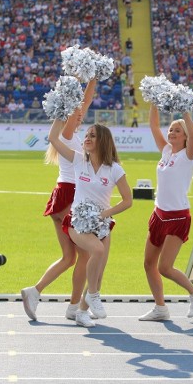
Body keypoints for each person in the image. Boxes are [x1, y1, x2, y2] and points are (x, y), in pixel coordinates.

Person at [21, 81, 96, 323]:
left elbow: (86, 101)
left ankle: (35, 292)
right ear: (67, 115)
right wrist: (73, 89)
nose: (82, 114)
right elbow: (81, 103)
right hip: (69, 195)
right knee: (84, 255)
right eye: (77, 113)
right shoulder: (66, 134)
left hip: (65, 194)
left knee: (70, 257)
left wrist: (92, 78)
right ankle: (74, 307)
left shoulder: (72, 136)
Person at [48, 120, 132, 328]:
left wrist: (107, 213)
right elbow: (52, 139)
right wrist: (60, 115)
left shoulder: (114, 169)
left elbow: (127, 200)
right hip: (77, 221)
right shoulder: (78, 160)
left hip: (102, 224)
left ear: (103, 141)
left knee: (98, 272)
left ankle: (82, 312)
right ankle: (93, 295)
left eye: (92, 135)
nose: (87, 138)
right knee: (97, 250)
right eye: (86, 134)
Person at [139, 105, 193, 321]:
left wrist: (185, 109)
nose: (172, 133)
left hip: (177, 217)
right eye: (171, 129)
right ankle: (161, 308)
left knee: (165, 267)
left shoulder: (188, 155)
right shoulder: (167, 151)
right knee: (149, 264)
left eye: (177, 130)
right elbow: (154, 125)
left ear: (185, 136)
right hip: (159, 214)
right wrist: (153, 103)